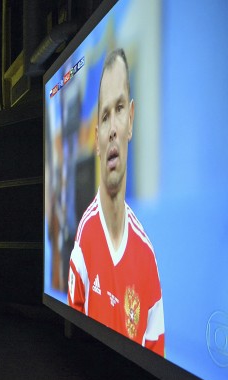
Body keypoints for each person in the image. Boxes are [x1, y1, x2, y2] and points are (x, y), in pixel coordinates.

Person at [67, 48, 164, 356]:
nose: (112, 130)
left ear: (131, 120)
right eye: (105, 115)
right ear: (96, 139)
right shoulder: (84, 238)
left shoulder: (147, 257)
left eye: (119, 109)